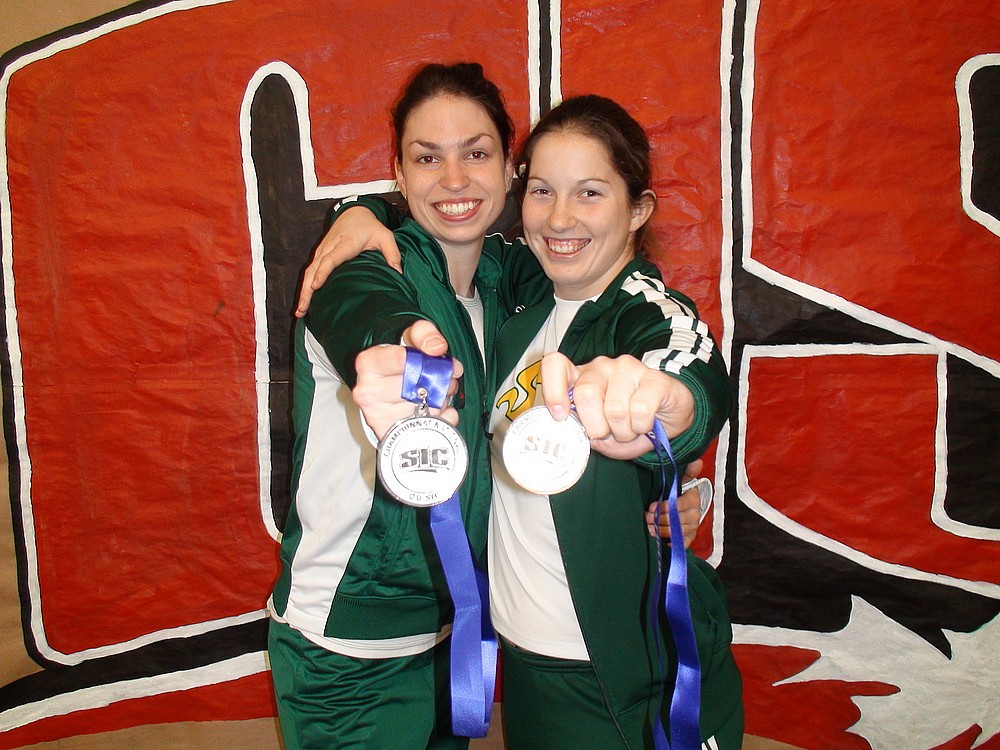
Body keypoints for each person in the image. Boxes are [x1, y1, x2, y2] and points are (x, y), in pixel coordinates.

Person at [305, 91, 742, 747]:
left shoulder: (645, 312)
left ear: (637, 210)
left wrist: (668, 404)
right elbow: (431, 223)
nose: (561, 218)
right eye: (542, 191)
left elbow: (692, 374)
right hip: (528, 664)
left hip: (632, 667)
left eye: (590, 194)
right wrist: (357, 212)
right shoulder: (522, 294)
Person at [267, 62, 516, 750]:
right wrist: (398, 352)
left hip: (454, 629)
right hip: (350, 651)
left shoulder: (507, 285)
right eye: (427, 158)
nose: (456, 178)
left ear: (508, 165)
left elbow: (603, 255)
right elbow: (364, 312)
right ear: (399, 177)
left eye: (476, 152)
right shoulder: (362, 268)